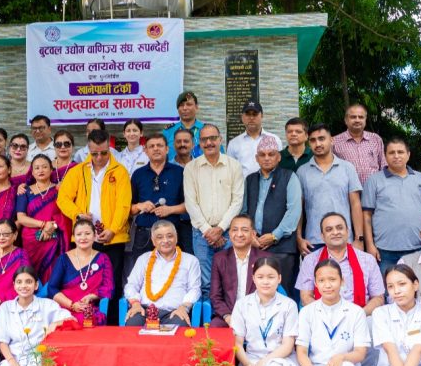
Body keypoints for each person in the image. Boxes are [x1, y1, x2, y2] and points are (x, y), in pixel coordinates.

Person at [123, 220, 202, 366]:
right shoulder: (144, 259)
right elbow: (131, 285)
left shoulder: (190, 260)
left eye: (169, 236)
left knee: (180, 332)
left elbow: (195, 288)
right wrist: (135, 303)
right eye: (159, 237)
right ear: (153, 240)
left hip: (174, 311)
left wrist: (184, 306)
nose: (165, 240)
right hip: (145, 309)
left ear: (176, 237)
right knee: (132, 328)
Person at [57, 128, 131, 317]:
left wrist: (113, 229)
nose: (99, 158)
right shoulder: (78, 171)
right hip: (84, 237)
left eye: (104, 153)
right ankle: (84, 317)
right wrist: (78, 215)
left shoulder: (120, 172)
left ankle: (111, 322)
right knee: (84, 281)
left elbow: (124, 205)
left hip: (112, 238)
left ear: (110, 149)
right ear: (88, 150)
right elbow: (62, 198)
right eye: (94, 153)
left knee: (112, 282)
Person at [295, 259, 370, 366]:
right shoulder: (307, 312)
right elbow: (302, 352)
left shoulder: (356, 312)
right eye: (321, 280)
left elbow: (360, 353)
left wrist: (341, 357)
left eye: (332, 279)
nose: (327, 285)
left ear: (342, 281)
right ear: (315, 283)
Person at [231, 257, 300, 366]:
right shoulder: (242, 304)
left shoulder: (288, 305)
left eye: (271, 277)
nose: (266, 281)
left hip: (280, 359)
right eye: (260, 277)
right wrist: (247, 364)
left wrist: (265, 362)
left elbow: (288, 345)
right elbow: (237, 342)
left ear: (279, 278)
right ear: (253, 278)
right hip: (252, 359)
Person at [0, 266, 71, 366]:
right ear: (14, 285)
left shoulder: (47, 305)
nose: (24, 286)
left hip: (37, 360)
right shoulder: (5, 307)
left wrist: (55, 323)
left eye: (28, 282)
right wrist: (11, 362)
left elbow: (70, 319)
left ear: (36, 285)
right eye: (19, 282)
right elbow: (2, 341)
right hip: (14, 358)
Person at [184, 124, 245, 300]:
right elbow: (191, 203)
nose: (209, 143)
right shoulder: (191, 168)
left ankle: (228, 315)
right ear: (199, 143)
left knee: (230, 281)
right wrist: (208, 231)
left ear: (220, 140)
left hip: (228, 233)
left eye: (213, 138)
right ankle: (208, 316)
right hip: (201, 234)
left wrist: (220, 229)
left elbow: (237, 201)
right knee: (205, 283)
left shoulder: (234, 166)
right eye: (204, 139)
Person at [362, 138, 421, 273]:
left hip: (417, 247)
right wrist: (370, 245)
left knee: (417, 285)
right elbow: (366, 215)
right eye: (391, 152)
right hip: (385, 250)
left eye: (400, 152)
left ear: (408, 154)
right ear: (385, 156)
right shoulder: (374, 180)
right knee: (388, 286)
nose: (396, 156)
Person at [242, 134, 302, 294]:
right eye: (262, 155)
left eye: (271, 154)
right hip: (255, 245)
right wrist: (251, 236)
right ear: (257, 158)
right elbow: (244, 211)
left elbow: (294, 212)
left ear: (279, 157)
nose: (267, 158)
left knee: (283, 292)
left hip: (282, 247)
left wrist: (275, 235)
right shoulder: (250, 180)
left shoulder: (289, 177)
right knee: (256, 291)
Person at [296, 124, 364, 256]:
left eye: (322, 139)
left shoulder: (347, 168)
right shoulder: (302, 171)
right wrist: (299, 238)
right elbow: (298, 208)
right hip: (313, 241)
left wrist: (359, 238)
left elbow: (355, 204)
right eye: (313, 140)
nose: (318, 144)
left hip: (344, 238)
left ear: (331, 140)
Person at [296, 213, 385, 314]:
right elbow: (305, 297)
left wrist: (359, 315)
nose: (335, 232)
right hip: (322, 317)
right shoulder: (310, 260)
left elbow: (378, 298)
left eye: (339, 228)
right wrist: (326, 316)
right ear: (322, 236)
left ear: (347, 231)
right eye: (329, 229)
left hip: (360, 316)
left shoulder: (368, 260)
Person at [127, 133, 188, 275]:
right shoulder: (138, 174)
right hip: (144, 234)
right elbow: (128, 209)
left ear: (167, 149)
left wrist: (170, 210)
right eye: (151, 146)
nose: (156, 149)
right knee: (143, 274)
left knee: (174, 273)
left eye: (159, 145)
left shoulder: (179, 172)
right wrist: (140, 206)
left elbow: (190, 205)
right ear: (145, 150)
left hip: (172, 234)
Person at [48, 219, 114, 326]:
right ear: (73, 237)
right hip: (64, 307)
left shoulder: (103, 259)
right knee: (60, 321)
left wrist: (92, 296)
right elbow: (52, 288)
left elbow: (108, 288)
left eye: (87, 233)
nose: (83, 237)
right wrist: (72, 305)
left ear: (94, 236)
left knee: (86, 319)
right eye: (79, 234)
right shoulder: (63, 259)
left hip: (87, 309)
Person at [16, 155, 70, 283]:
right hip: (31, 240)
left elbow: (66, 216)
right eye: (37, 168)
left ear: (51, 170)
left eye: (45, 167)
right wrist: (44, 225)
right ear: (32, 172)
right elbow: (21, 218)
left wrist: (52, 227)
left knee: (53, 274)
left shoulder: (59, 189)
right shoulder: (24, 191)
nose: (41, 170)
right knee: (31, 274)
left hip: (54, 237)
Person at [210, 215, 271, 328]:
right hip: (229, 314)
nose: (239, 234)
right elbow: (215, 295)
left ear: (253, 234)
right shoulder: (220, 258)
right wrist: (227, 316)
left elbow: (269, 292)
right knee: (215, 328)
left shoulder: (265, 259)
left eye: (245, 230)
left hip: (258, 315)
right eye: (234, 230)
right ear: (229, 233)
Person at [332, 103, 385, 185]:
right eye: (353, 117)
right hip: (348, 191)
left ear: (365, 119)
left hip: (375, 189)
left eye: (361, 117)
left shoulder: (375, 139)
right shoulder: (335, 142)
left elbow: (383, 165)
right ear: (346, 120)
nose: (357, 120)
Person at [226, 101, 282, 176]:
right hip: (243, 183)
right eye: (248, 114)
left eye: (255, 114)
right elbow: (230, 170)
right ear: (242, 117)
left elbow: (280, 166)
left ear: (262, 116)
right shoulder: (234, 143)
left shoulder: (275, 139)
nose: (251, 118)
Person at [161, 90, 207, 158]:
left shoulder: (206, 130)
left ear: (196, 107)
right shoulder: (168, 131)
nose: (185, 108)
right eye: (181, 105)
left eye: (189, 104)